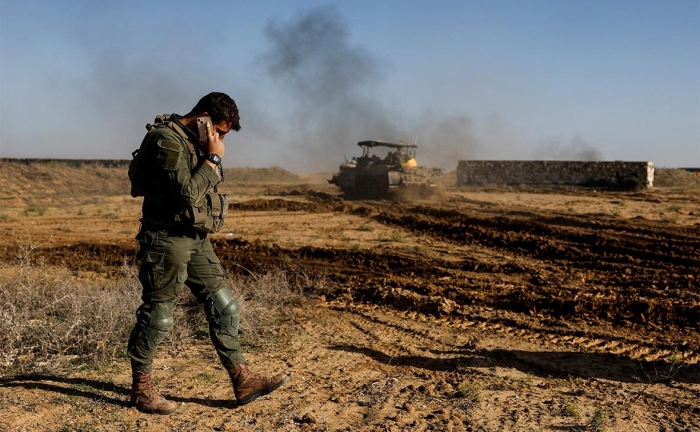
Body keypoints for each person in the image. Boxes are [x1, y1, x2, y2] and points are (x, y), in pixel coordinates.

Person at [126, 92, 288, 415]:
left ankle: (242, 379)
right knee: (159, 315)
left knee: (225, 306)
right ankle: (141, 389)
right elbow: (186, 193)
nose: (221, 138)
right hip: (166, 239)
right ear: (203, 118)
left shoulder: (192, 143)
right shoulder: (165, 140)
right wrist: (213, 158)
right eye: (220, 130)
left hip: (195, 238)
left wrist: (208, 154)